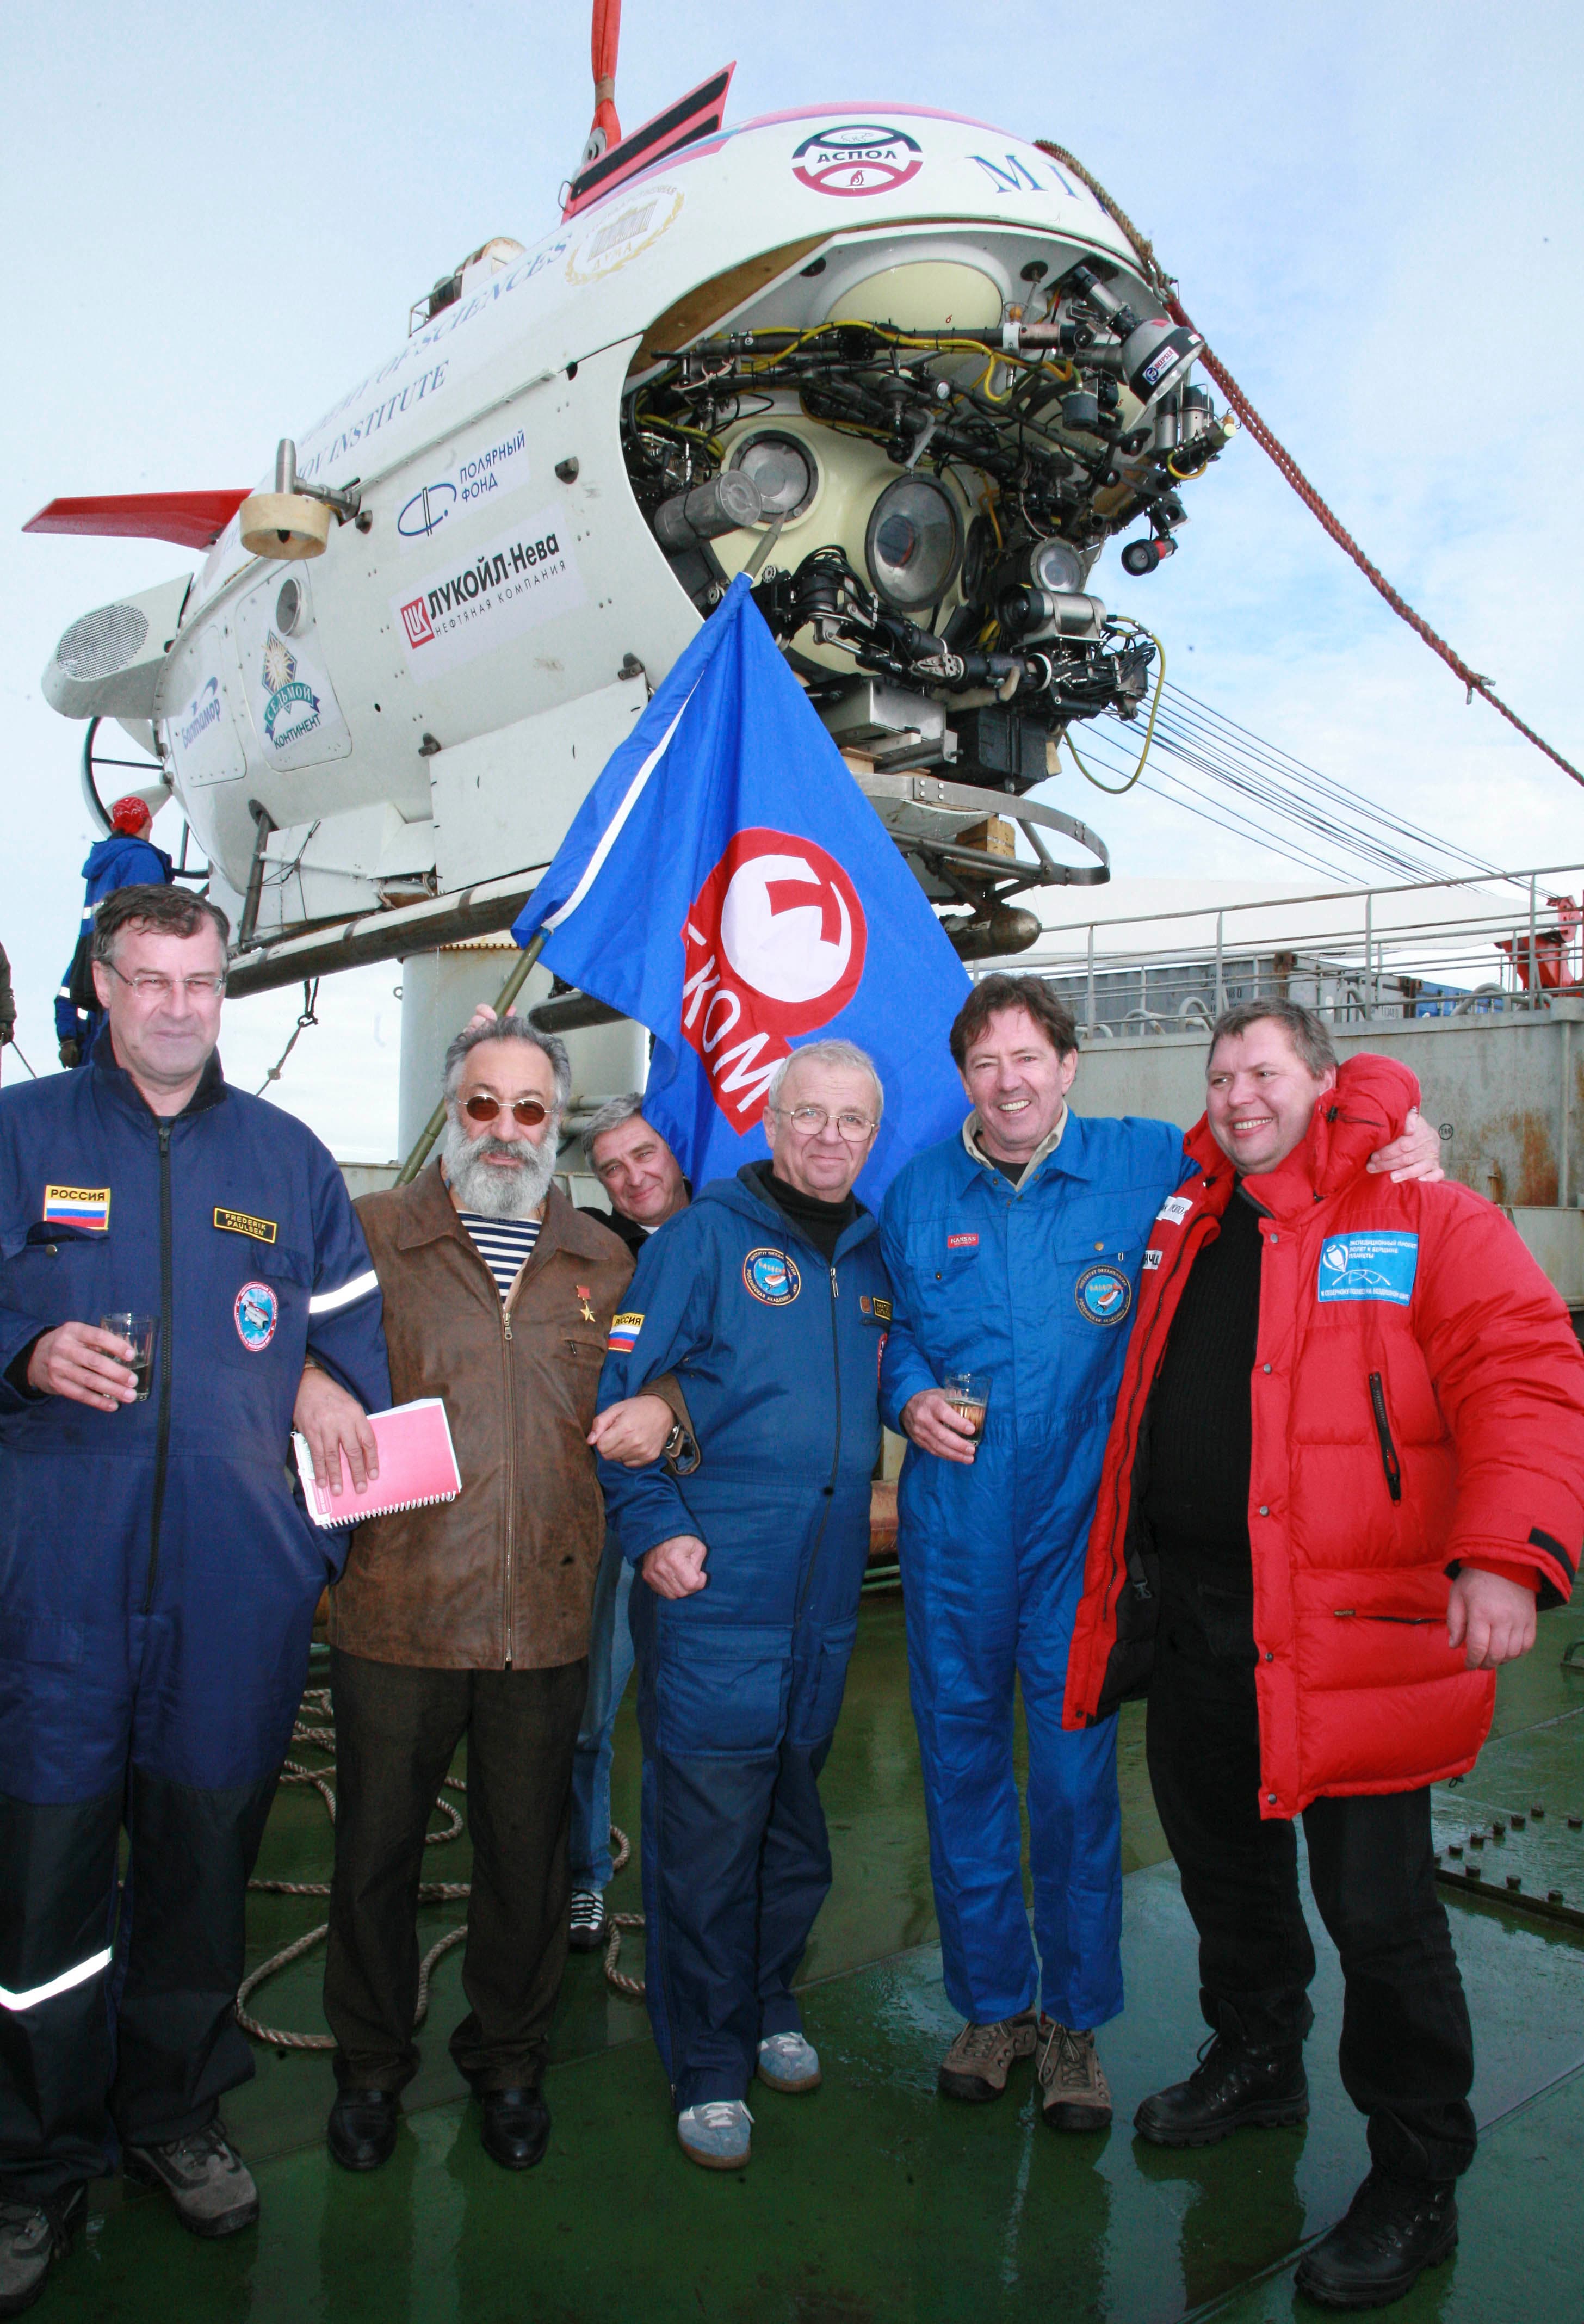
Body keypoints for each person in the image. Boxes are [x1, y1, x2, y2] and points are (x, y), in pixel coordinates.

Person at [1064, 1000, 1584, 2310]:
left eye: (1266, 1073)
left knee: (1380, 1911)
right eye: (1223, 1075)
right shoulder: (1190, 1219)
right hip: (1193, 1619)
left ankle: (1417, 2177)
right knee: (1223, 1868)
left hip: (1350, 1631)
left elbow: (1524, 1368)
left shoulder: (1429, 1216)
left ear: (1327, 1082)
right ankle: (1259, 2055)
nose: (1242, 1096)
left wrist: (1508, 1550)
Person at [877, 975, 1440, 2135]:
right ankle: (992, 2008)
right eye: (985, 1064)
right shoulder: (917, 1189)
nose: (1010, 1082)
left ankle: (1075, 2028)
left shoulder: (1149, 1166)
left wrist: (1398, 1121)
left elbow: (1280, 1119)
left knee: (1078, 1787)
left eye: (1029, 1057)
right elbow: (891, 1332)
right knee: (962, 1772)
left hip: (1084, 1552)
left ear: (1070, 1066)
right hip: (954, 1545)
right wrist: (908, 1397)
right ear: (963, 1079)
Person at [0, 882, 388, 2311]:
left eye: (200, 980)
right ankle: (34, 2163)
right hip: (58, 1595)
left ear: (224, 991)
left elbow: (359, 1365)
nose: (175, 1004)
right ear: (102, 984)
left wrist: (314, 1402)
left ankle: (169, 2118)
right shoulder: (19, 1137)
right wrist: (27, 1353)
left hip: (232, 1599)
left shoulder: (288, 1162)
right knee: (42, 1898)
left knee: (199, 1879)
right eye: (148, 978)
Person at [320, 1019, 683, 2177]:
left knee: (525, 1858)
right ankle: (370, 2068)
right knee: (375, 1854)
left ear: (555, 1127)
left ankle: (511, 2057)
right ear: (451, 1113)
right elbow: (287, 1352)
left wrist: (671, 1408)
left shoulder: (606, 1262)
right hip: (398, 1610)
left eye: (531, 1110)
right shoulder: (371, 1238)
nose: (507, 1131)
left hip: (545, 1614)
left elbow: (669, 1372)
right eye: (484, 1105)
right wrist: (304, 1388)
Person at [596, 1040, 892, 2171]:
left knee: (792, 1819)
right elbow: (619, 1409)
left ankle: (768, 1998)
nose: (829, 1137)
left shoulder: (871, 1258)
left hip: (822, 1599)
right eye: (808, 1115)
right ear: (771, 1121)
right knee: (706, 1837)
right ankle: (708, 2063)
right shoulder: (700, 1242)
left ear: (873, 1131)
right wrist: (657, 1528)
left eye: (851, 1120)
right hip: (715, 1590)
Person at [567, 1095, 691, 1953]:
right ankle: (585, 1875)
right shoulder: (586, 1246)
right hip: (613, 1505)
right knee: (588, 1715)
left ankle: (697, 1885)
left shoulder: (734, 1232)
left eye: (644, 1154)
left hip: (710, 1507)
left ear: (676, 1150)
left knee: (699, 1717)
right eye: (613, 1166)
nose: (633, 1177)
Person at [55, 798, 174, 1067]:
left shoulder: (101, 865)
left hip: (97, 970)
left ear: (113, 825)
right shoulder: (142, 859)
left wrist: (68, 1038)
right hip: (129, 976)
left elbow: (67, 991)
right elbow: (147, 925)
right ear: (149, 822)